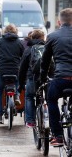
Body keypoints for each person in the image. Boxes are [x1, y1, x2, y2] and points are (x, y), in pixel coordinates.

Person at [40, 8, 72, 146]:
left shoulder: (52, 37)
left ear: (59, 22)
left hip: (60, 78)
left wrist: (42, 77)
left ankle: (58, 136)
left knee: (51, 99)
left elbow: (45, 61)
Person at [0, 24, 24, 124]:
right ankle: (17, 95)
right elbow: (24, 56)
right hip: (15, 70)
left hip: (2, 70)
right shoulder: (19, 42)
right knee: (18, 81)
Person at [18, 29, 45, 128]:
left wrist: (20, 84)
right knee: (47, 99)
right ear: (43, 38)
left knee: (29, 97)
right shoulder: (47, 47)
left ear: (32, 37)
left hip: (32, 78)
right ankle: (47, 118)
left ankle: (30, 121)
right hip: (45, 79)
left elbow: (22, 69)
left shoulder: (28, 50)